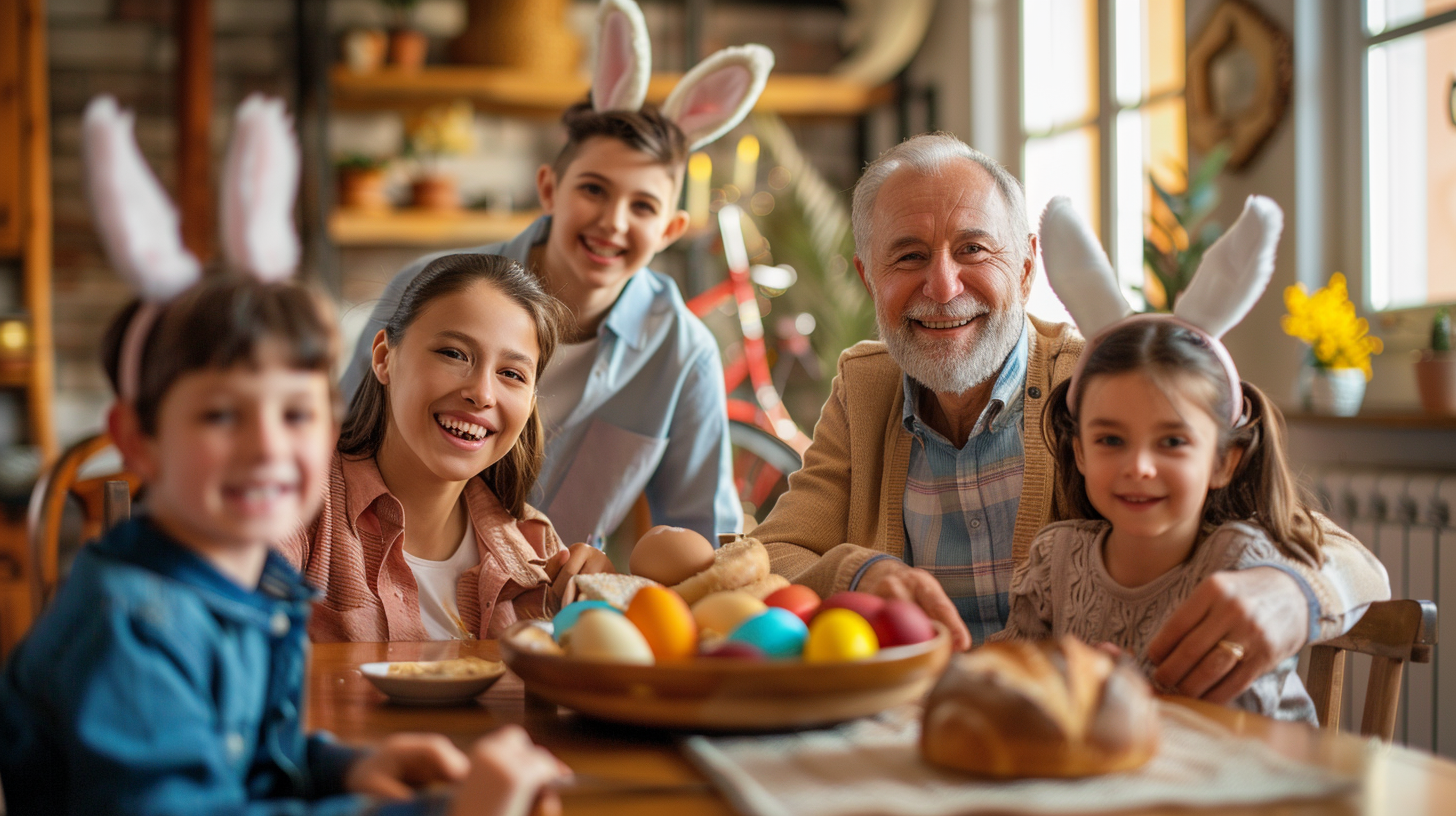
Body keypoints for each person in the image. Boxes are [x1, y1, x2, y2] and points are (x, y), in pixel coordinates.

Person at [753, 132, 1390, 706]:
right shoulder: (867, 389)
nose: (943, 287)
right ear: (868, 277)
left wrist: (1290, 594)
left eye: (973, 249)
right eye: (908, 257)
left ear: (1028, 267)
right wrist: (859, 573)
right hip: (932, 735)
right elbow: (771, 555)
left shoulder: (1107, 388)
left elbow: (1347, 558)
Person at [0, 276, 571, 816]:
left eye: (296, 413)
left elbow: (241, 757)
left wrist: (344, 768)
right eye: (222, 415)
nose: (268, 446)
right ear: (137, 441)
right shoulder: (128, 627)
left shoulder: (250, 590)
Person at [339, 0, 775, 546]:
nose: (612, 222)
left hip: (548, 617)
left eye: (643, 207)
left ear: (670, 229)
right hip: (385, 579)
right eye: (593, 189)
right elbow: (338, 447)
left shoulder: (683, 355)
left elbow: (703, 538)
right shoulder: (427, 290)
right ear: (549, 189)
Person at [995, 316, 1324, 721]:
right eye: (1111, 440)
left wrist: (1125, 691)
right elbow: (1016, 683)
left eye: (1172, 441)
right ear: (1080, 452)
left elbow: (1238, 730)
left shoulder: (1241, 565)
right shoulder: (1053, 558)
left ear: (1223, 462)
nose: (1139, 467)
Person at [281, 253, 615, 642]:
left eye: (511, 374)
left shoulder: (536, 547)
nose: (482, 394)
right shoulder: (297, 498)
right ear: (384, 357)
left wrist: (599, 608)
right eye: (454, 354)